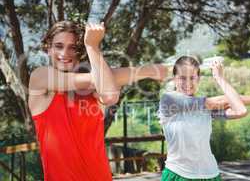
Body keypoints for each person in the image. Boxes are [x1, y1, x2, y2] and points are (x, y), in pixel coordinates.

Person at [28, 20, 168, 181]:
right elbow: (96, 79)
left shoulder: (95, 90)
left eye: (72, 47)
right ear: (48, 47)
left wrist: (92, 48)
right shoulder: (40, 77)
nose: (65, 53)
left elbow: (109, 95)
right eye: (58, 46)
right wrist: (93, 46)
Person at [158, 56, 250, 181]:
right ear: (174, 78)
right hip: (178, 175)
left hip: (211, 175)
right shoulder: (168, 100)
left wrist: (221, 80)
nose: (188, 83)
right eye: (182, 78)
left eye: (192, 78)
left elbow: (240, 110)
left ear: (198, 79)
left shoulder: (205, 109)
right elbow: (221, 100)